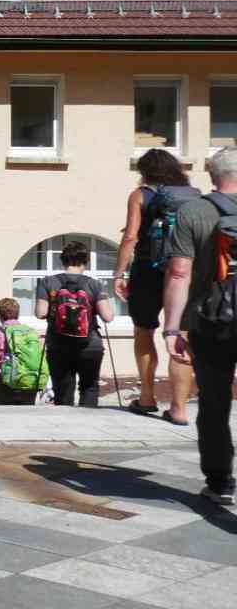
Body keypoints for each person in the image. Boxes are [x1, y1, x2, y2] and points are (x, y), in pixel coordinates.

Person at [159, 147, 237, 506]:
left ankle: (220, 482)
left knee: (214, 401)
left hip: (211, 320)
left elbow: (179, 272)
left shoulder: (194, 211)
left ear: (211, 175)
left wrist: (173, 328)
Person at [117, 149, 197, 424]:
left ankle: (147, 398)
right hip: (184, 272)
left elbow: (130, 236)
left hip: (147, 270)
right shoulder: (191, 196)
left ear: (145, 171)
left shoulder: (140, 195)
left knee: (144, 331)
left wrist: (119, 273)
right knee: (181, 336)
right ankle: (179, 409)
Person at [36, 240, 115, 408]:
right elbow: (108, 317)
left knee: (63, 391)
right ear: (86, 261)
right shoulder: (94, 284)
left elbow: (41, 313)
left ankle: (66, 423)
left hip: (58, 344)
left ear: (63, 260)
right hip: (90, 344)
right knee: (89, 387)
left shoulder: (48, 282)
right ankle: (88, 422)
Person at [0, 297, 46, 405]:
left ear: (0, 315)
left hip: (3, 385)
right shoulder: (30, 332)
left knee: (3, 415)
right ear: (18, 314)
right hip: (29, 382)